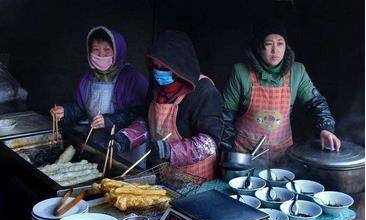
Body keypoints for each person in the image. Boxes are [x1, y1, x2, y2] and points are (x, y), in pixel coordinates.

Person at [221, 18, 341, 164]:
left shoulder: (297, 71)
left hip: (283, 156)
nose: (275, 50)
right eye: (268, 44)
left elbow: (316, 103)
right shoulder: (241, 72)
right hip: (245, 155)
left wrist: (326, 128)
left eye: (280, 43)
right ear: (259, 47)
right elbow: (225, 117)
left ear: (286, 46)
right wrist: (229, 158)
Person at [115, 30, 223, 181]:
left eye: (165, 68)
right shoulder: (156, 85)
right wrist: (129, 137)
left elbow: (209, 143)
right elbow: (147, 121)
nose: (159, 72)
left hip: (195, 180)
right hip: (163, 173)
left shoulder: (204, 92)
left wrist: (170, 151)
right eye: (156, 66)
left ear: (180, 67)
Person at [50, 26, 148, 135]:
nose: (101, 55)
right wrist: (66, 111)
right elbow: (81, 109)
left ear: (117, 51)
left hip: (124, 143)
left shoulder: (131, 78)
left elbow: (139, 114)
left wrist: (109, 121)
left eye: (107, 50)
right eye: (96, 49)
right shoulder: (86, 79)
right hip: (95, 137)